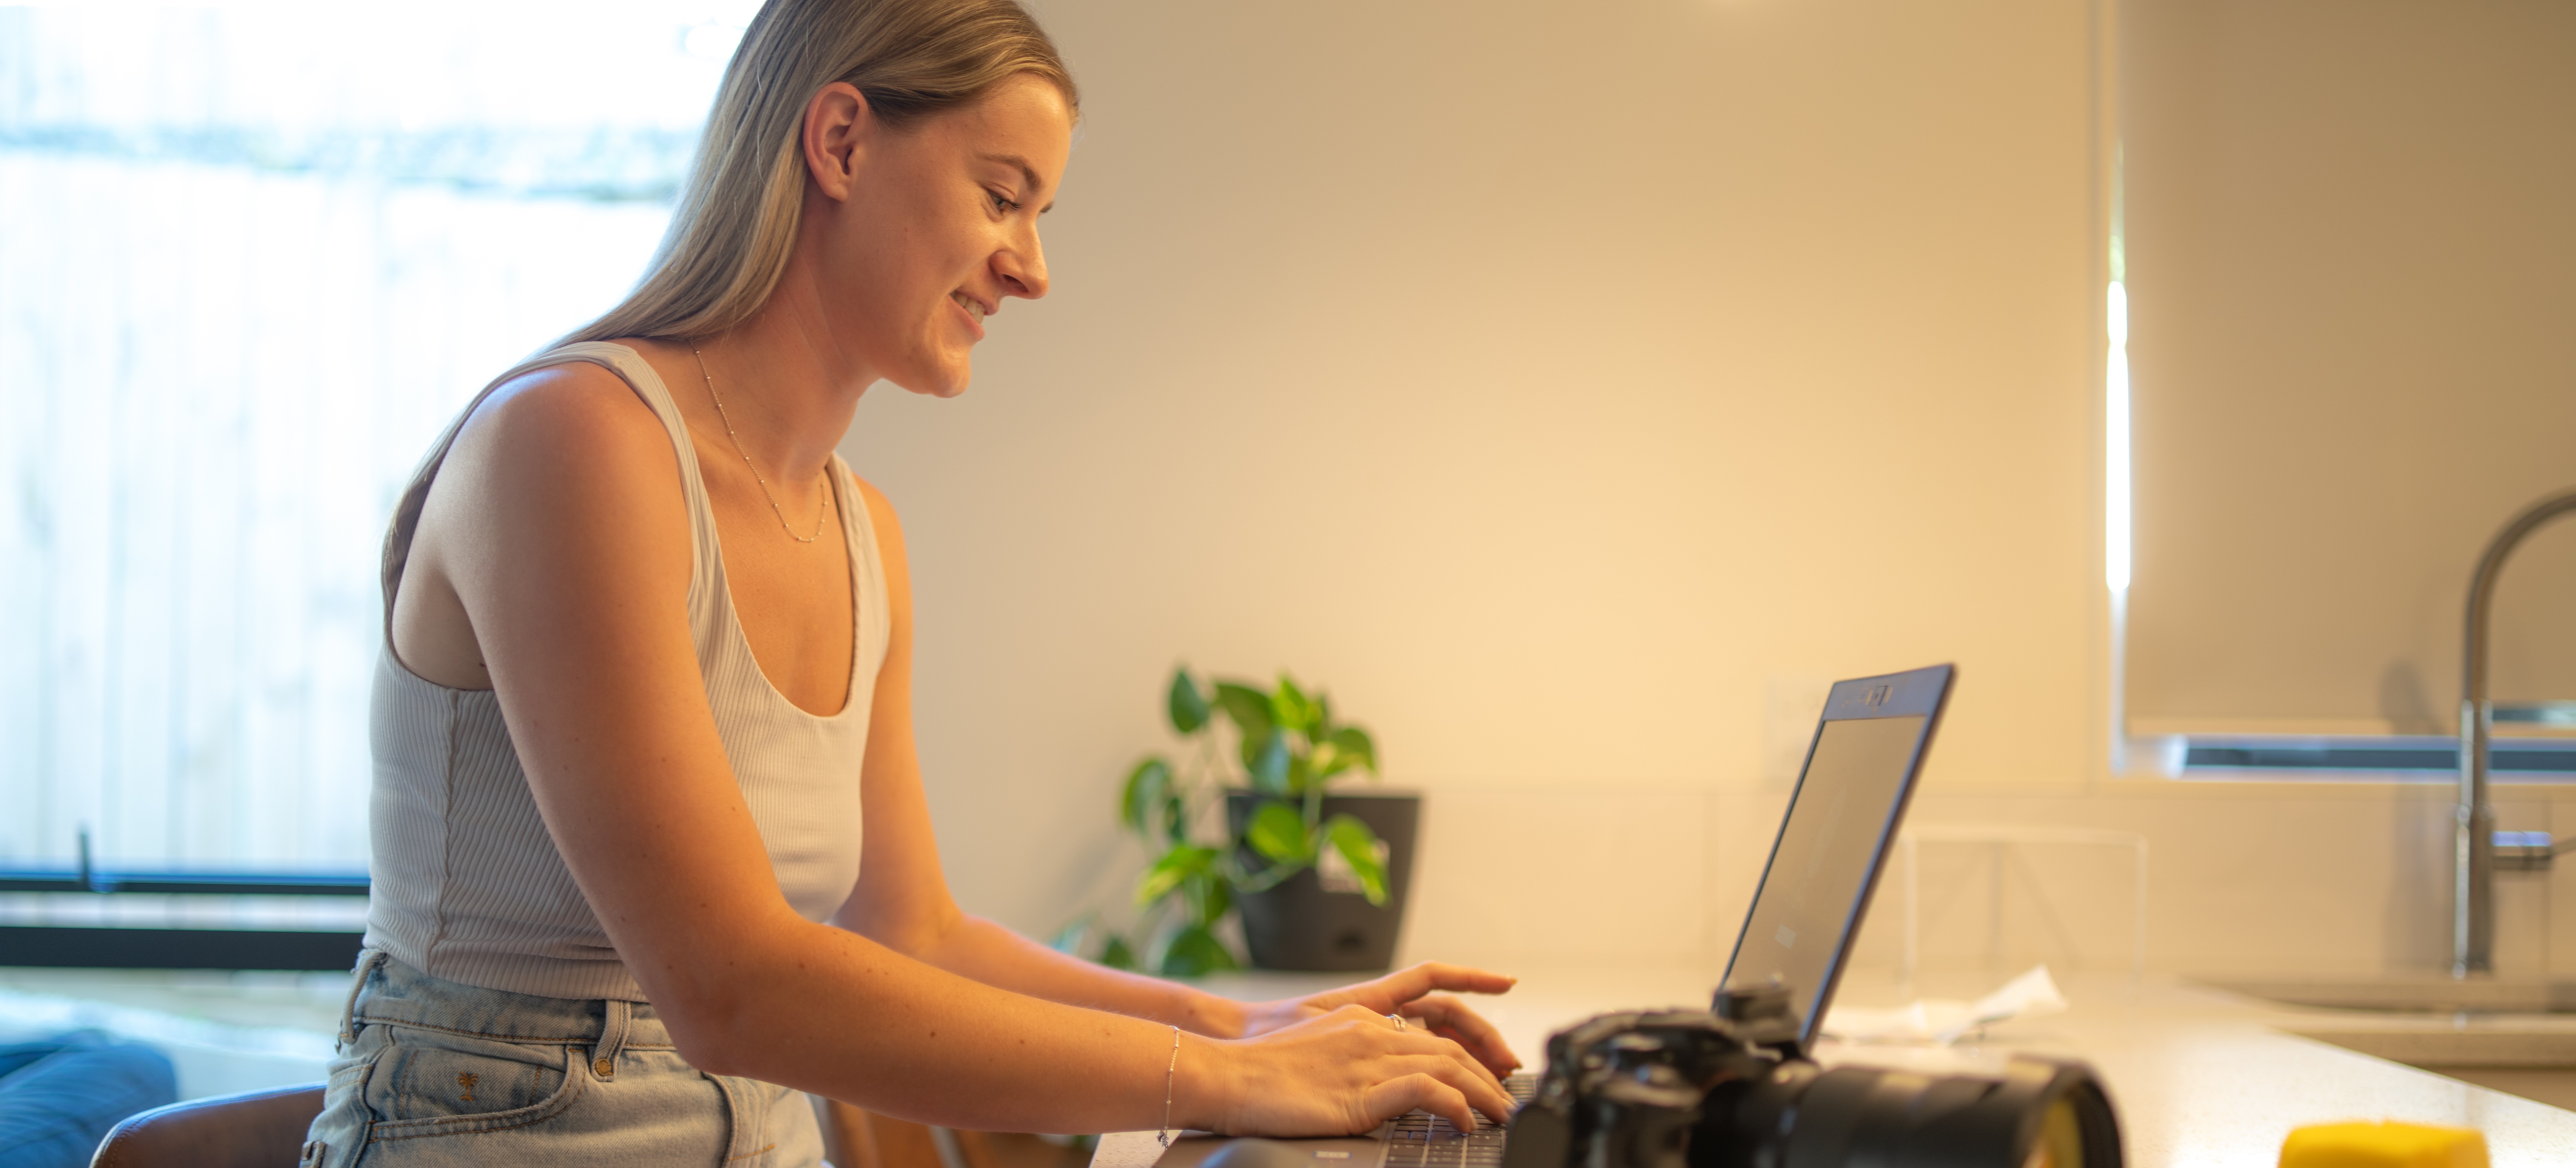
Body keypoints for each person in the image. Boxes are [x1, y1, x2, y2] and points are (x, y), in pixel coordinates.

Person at [303, 1, 1520, 1164]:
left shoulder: (863, 531)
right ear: (839, 142)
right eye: (1003, 198)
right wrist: (1217, 1079)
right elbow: (728, 984)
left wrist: (1251, 1027)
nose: (1033, 269)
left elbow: (915, 936)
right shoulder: (573, 443)